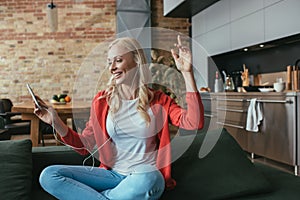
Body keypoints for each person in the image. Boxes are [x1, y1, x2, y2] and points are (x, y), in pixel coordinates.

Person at [34, 35, 204, 200]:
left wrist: (187, 73)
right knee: (49, 175)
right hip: (112, 175)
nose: (112, 68)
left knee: (150, 177)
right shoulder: (102, 101)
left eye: (118, 60)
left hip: (144, 178)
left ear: (136, 61)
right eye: (109, 62)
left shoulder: (159, 100)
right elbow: (85, 146)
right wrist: (55, 122)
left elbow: (194, 122)